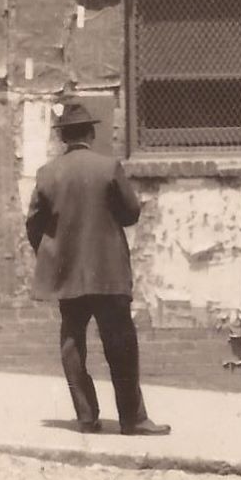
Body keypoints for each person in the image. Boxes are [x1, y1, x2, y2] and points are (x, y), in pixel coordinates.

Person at [25, 102, 170, 436]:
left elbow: (33, 225)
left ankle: (87, 417)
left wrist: (54, 254)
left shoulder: (48, 173)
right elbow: (131, 213)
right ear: (90, 132)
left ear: (63, 137)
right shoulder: (108, 167)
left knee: (72, 340)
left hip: (67, 272)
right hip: (108, 273)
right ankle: (132, 419)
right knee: (120, 343)